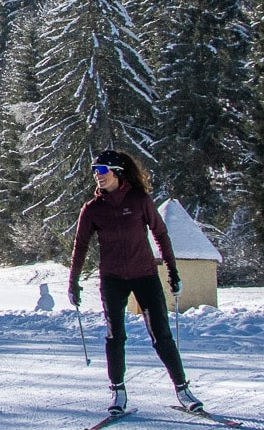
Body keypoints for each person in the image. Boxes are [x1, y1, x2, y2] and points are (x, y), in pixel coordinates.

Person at [66, 149, 203, 415]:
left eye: (102, 171)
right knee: (115, 335)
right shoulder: (92, 209)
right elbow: (80, 247)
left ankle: (183, 389)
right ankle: (118, 392)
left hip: (145, 276)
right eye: (95, 171)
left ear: (117, 173)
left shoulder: (139, 200)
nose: (98, 176)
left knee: (161, 335)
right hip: (113, 279)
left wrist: (172, 272)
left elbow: (161, 234)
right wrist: (73, 282)